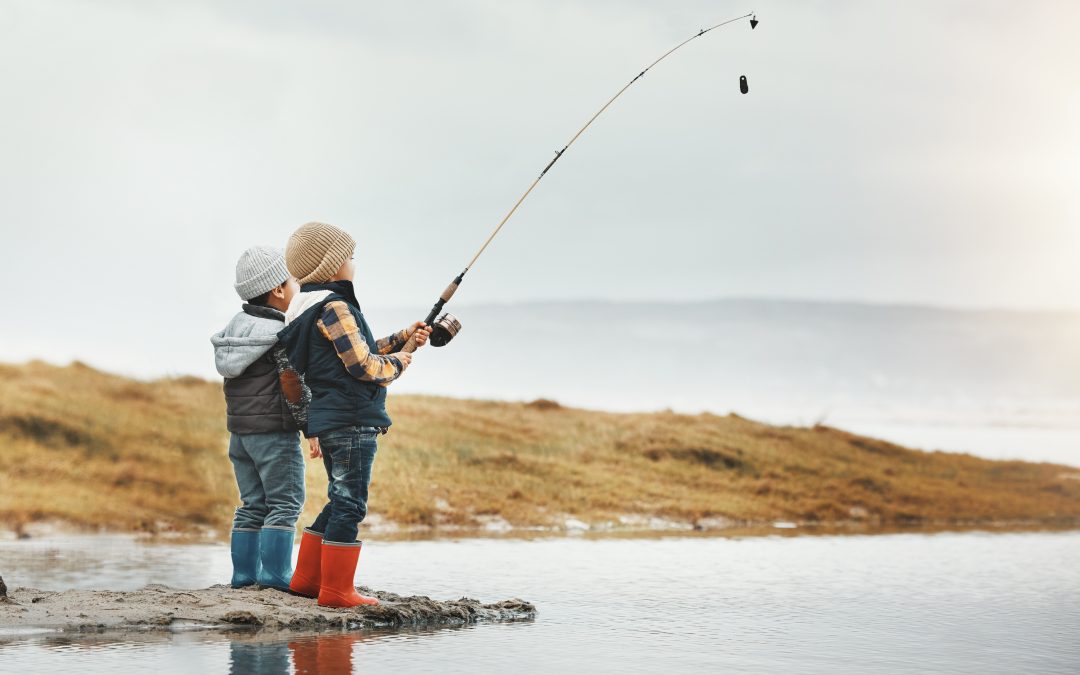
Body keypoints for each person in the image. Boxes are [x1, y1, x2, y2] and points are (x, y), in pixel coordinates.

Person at [276, 221, 431, 607]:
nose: (353, 262)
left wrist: (401, 337)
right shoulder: (336, 305)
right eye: (348, 256)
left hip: (331, 418)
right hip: (352, 419)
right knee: (351, 504)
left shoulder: (309, 308)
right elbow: (362, 365)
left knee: (337, 498)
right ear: (331, 266)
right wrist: (399, 362)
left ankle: (307, 580)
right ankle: (336, 591)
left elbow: (351, 349)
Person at [211, 246, 306, 591]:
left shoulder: (235, 331)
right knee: (285, 503)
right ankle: (277, 575)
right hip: (275, 433)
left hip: (240, 435)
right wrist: (311, 427)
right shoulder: (280, 333)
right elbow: (293, 384)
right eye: (294, 280)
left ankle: (243, 576)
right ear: (278, 290)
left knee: (253, 505)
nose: (298, 287)